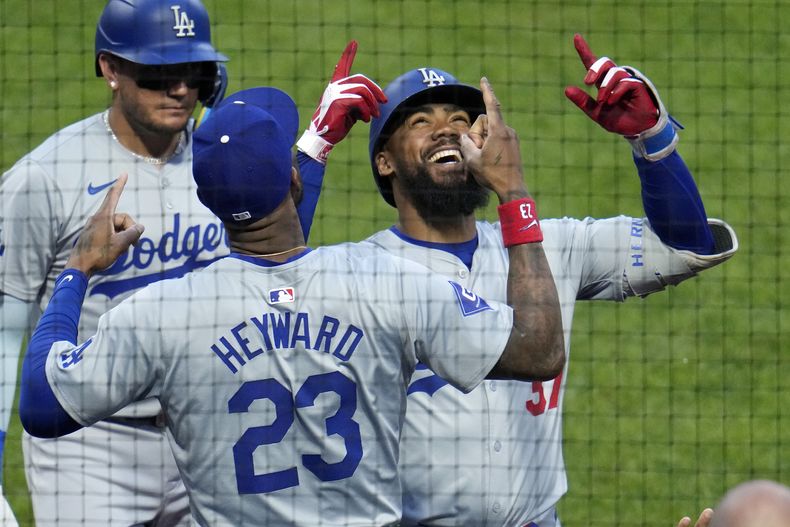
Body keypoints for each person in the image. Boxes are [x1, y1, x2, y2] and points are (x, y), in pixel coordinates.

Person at [18, 84, 565, 526]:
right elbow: (539, 353)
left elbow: (43, 409)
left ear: (209, 201)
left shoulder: (165, 313)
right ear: (295, 178)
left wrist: (78, 270)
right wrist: (513, 192)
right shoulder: (385, 281)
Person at [0, 0, 380, 524]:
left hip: (209, 425)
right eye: (159, 73)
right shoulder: (45, 177)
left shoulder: (218, 155)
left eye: (194, 72)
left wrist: (312, 147)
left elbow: (268, 257)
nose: (180, 89)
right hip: (90, 444)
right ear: (110, 69)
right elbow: (5, 330)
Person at [352, 34, 737, 526]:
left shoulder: (556, 246)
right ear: (384, 160)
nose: (446, 131)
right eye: (420, 121)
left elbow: (690, 245)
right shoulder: (358, 273)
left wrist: (653, 142)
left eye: (460, 119)